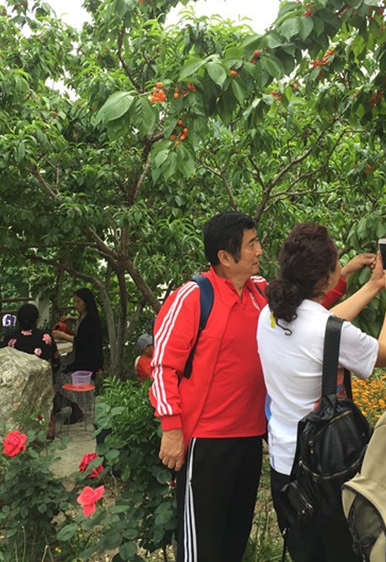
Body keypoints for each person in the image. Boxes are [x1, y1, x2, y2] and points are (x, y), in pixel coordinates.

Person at [257, 223, 386, 562]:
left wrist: (372, 285)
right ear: (327, 277)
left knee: (304, 552)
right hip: (326, 468)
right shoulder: (324, 330)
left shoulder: (269, 315)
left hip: (284, 465)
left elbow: (326, 323)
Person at [149, 211, 268, 562]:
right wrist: (171, 428)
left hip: (250, 439)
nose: (260, 251)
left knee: (234, 542)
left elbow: (309, 307)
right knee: (201, 548)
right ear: (225, 257)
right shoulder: (193, 296)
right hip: (207, 441)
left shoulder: (261, 294)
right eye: (251, 244)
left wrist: (347, 276)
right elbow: (163, 365)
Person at [52, 287, 103, 374]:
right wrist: (71, 318)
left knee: (61, 371)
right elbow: (82, 323)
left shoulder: (90, 319)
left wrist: (63, 335)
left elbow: (80, 340)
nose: (75, 305)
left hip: (87, 360)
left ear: (86, 302)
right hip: (84, 356)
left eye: (78, 302)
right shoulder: (85, 315)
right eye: (74, 302)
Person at [0, 303, 60, 371]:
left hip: (15, 376)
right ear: (37, 320)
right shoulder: (46, 337)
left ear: (18, 319)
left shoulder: (8, 337)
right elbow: (56, 363)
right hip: (41, 375)